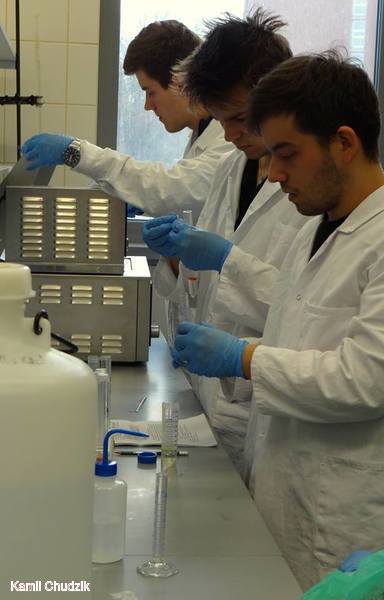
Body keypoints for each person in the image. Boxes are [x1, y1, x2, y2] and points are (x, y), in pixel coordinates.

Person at [161, 51, 384, 590]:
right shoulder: (317, 228)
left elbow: (363, 381)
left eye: (286, 154)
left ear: (344, 142)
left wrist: (244, 358)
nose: (276, 174)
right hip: (286, 493)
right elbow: (296, 335)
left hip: (350, 520)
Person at [144, 9, 307, 472]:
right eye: (220, 121)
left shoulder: (311, 188)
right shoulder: (231, 168)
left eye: (239, 118)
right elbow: (207, 291)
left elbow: (307, 307)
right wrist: (178, 260)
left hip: (270, 406)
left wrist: (226, 259)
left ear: (275, 94)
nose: (231, 136)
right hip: (214, 400)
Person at [20, 20, 232, 221]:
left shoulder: (228, 140)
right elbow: (178, 192)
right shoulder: (201, 135)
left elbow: (176, 189)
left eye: (150, 92)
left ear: (180, 82)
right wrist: (138, 198)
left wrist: (77, 152)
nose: (147, 105)